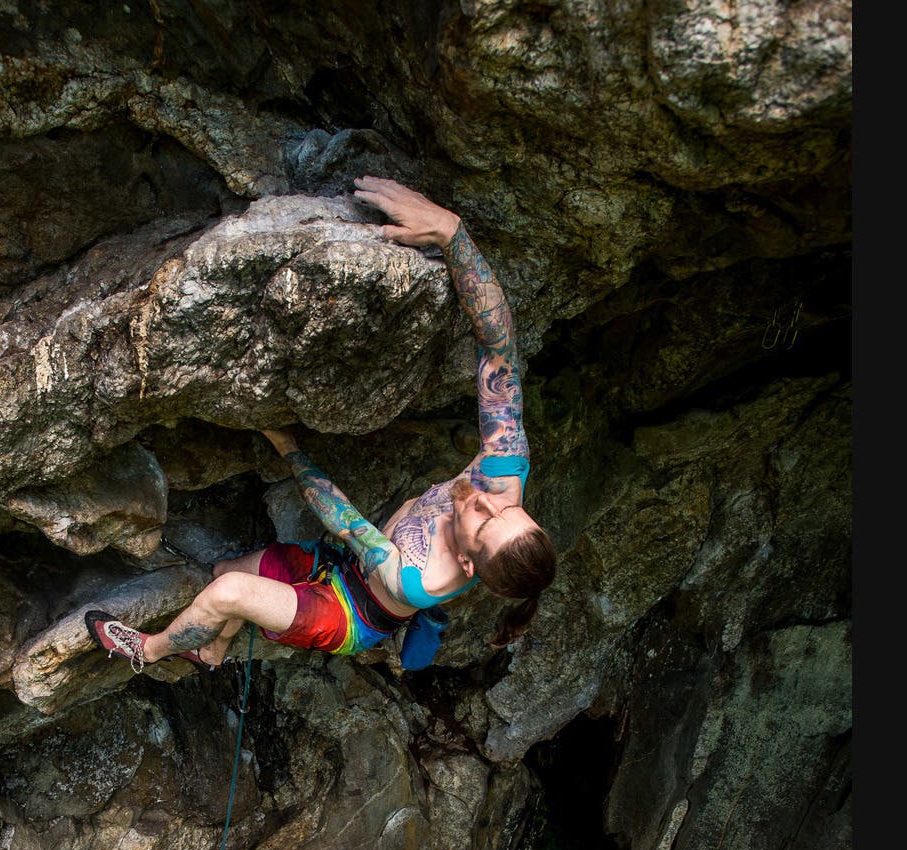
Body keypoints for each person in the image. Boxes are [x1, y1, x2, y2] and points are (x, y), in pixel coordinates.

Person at [87, 175, 557, 671]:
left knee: (229, 592)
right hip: (343, 562)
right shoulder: (501, 474)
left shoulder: (420, 582)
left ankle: (148, 650)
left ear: (466, 562)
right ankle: (211, 652)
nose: (486, 499)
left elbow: (344, 518)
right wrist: (451, 233)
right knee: (222, 572)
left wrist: (287, 447)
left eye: (486, 520)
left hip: (349, 613)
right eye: (509, 508)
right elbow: (500, 353)